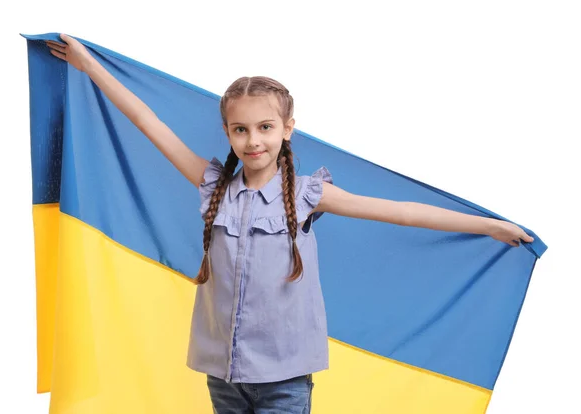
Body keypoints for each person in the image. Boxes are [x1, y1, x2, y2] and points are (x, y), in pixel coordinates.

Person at [45, 34, 534, 414]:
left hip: (284, 378)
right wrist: (88, 66)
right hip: (224, 374)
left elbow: (399, 211)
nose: (253, 140)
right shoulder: (214, 185)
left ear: (287, 129)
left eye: (265, 127)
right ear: (228, 133)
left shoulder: (306, 194)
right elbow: (147, 121)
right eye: (241, 129)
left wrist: (486, 226)